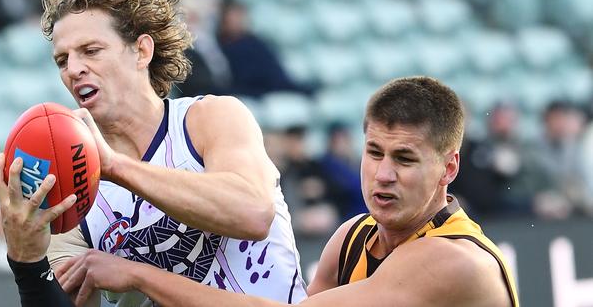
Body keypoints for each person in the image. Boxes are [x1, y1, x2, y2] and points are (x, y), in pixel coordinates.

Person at [0, 0, 306, 307]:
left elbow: (253, 213)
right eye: (62, 60)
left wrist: (115, 168)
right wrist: (25, 262)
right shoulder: (72, 186)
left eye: (91, 50)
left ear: (142, 51)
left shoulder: (210, 118)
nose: (74, 68)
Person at [55, 76, 520, 307]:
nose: (382, 174)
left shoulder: (453, 260)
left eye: (405, 159)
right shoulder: (353, 237)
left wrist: (138, 275)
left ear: (449, 167)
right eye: (374, 152)